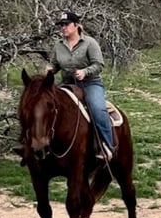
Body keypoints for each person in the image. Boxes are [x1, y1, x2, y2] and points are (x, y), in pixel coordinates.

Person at [47, 11, 115, 160]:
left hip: (90, 83)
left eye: (66, 24)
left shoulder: (90, 43)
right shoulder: (58, 45)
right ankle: (43, 144)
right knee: (45, 105)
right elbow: (55, 65)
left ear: (76, 25)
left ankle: (107, 146)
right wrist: (50, 70)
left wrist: (85, 71)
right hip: (67, 84)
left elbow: (99, 64)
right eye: (61, 25)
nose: (63, 28)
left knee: (97, 108)